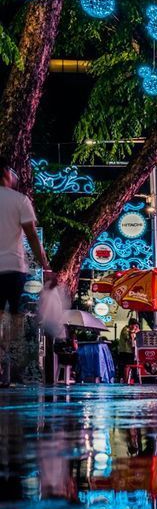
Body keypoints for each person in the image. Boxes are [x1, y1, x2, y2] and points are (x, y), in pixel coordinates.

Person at [0, 158, 52, 386]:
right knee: (15, 316)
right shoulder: (20, 200)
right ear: (6, 175)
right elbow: (32, 236)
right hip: (13, 267)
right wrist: (45, 266)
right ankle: (10, 360)